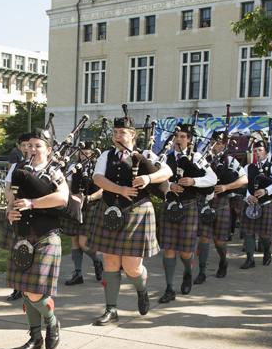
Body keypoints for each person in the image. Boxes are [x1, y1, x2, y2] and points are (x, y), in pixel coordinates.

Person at [87, 115, 172, 324]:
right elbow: (97, 178)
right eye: (115, 133)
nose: (117, 136)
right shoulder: (106, 155)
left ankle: (142, 290)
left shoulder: (146, 154)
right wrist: (120, 189)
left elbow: (167, 171)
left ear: (132, 135)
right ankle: (111, 309)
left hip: (137, 211)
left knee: (132, 267)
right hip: (109, 210)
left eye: (122, 133)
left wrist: (149, 178)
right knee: (111, 263)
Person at [4, 128, 68, 349]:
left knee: (35, 292)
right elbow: (10, 199)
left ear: (48, 150)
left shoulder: (54, 171)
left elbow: (62, 197)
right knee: (24, 288)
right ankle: (34, 336)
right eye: (29, 145)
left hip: (45, 234)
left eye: (37, 145)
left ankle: (52, 322)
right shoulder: (17, 168)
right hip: (22, 235)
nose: (32, 149)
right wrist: (9, 212)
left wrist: (31, 203)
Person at [158, 123, 217, 303]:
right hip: (169, 205)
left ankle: (188, 273)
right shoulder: (165, 158)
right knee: (168, 248)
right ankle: (169, 288)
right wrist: (169, 186)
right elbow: (156, 181)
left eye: (183, 136)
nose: (179, 139)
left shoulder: (197, 157)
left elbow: (212, 179)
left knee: (185, 252)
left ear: (189, 139)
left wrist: (193, 181)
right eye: (177, 136)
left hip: (189, 205)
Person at [196, 132, 247, 281]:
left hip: (221, 203)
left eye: (218, 143)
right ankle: (202, 272)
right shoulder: (203, 159)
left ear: (224, 145)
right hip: (205, 201)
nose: (214, 145)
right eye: (212, 142)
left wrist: (226, 187)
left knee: (219, 240)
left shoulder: (230, 161)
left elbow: (244, 179)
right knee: (203, 237)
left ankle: (223, 262)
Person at [61, 141, 104, 286]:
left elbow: (103, 189)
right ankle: (78, 274)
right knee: (75, 241)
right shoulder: (73, 167)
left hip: (91, 206)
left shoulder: (98, 168)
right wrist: (72, 200)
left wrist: (89, 198)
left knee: (83, 243)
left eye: (89, 153)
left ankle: (97, 261)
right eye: (83, 153)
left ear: (93, 155)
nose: (85, 155)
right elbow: (68, 187)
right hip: (75, 206)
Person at [240, 139, 272, 268]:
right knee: (248, 231)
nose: (257, 153)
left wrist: (266, 191)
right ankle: (250, 259)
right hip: (250, 203)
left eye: (260, 150)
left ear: (266, 152)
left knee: (265, 233)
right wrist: (248, 196)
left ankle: (267, 252)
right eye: (255, 151)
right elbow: (243, 183)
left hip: (265, 203)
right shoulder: (248, 167)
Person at [4, 133, 32, 301]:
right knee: (16, 251)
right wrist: (12, 204)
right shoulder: (16, 166)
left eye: (30, 145)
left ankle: (30, 288)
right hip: (16, 211)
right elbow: (8, 188)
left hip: (33, 212)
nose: (27, 148)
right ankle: (17, 288)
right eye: (24, 145)